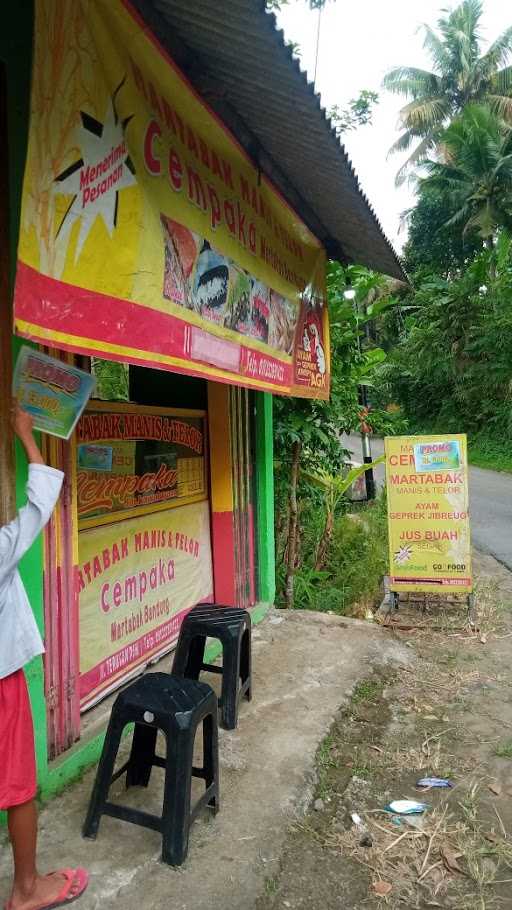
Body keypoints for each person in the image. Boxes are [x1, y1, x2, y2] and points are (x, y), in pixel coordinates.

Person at [1, 403, 88, 910]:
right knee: (18, 784)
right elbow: (38, 507)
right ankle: (27, 889)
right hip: (3, 676)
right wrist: (27, 438)